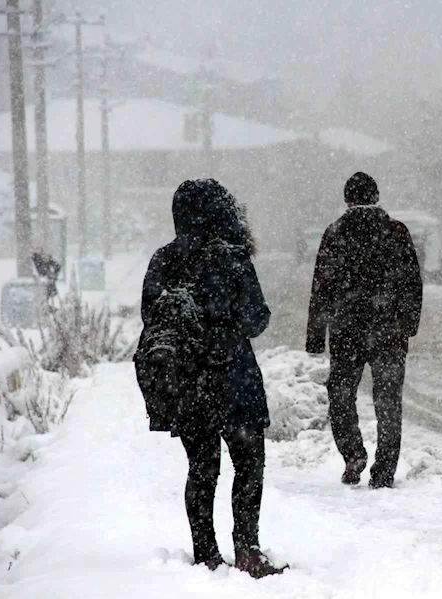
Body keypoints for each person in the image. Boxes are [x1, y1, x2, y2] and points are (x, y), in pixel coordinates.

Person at [137, 179, 286, 578]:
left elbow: (150, 317)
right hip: (234, 379)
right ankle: (248, 550)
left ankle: (205, 553)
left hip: (186, 385)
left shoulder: (163, 260)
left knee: (202, 468)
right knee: (249, 465)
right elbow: (256, 318)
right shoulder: (233, 258)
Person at [306, 172, 423, 489]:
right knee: (388, 401)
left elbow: (322, 287)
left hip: (347, 332)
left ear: (347, 200)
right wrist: (408, 323)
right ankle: (384, 470)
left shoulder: (335, 233)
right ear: (376, 197)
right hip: (389, 331)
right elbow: (412, 282)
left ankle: (353, 453)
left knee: (341, 396)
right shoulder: (397, 232)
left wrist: (316, 336)